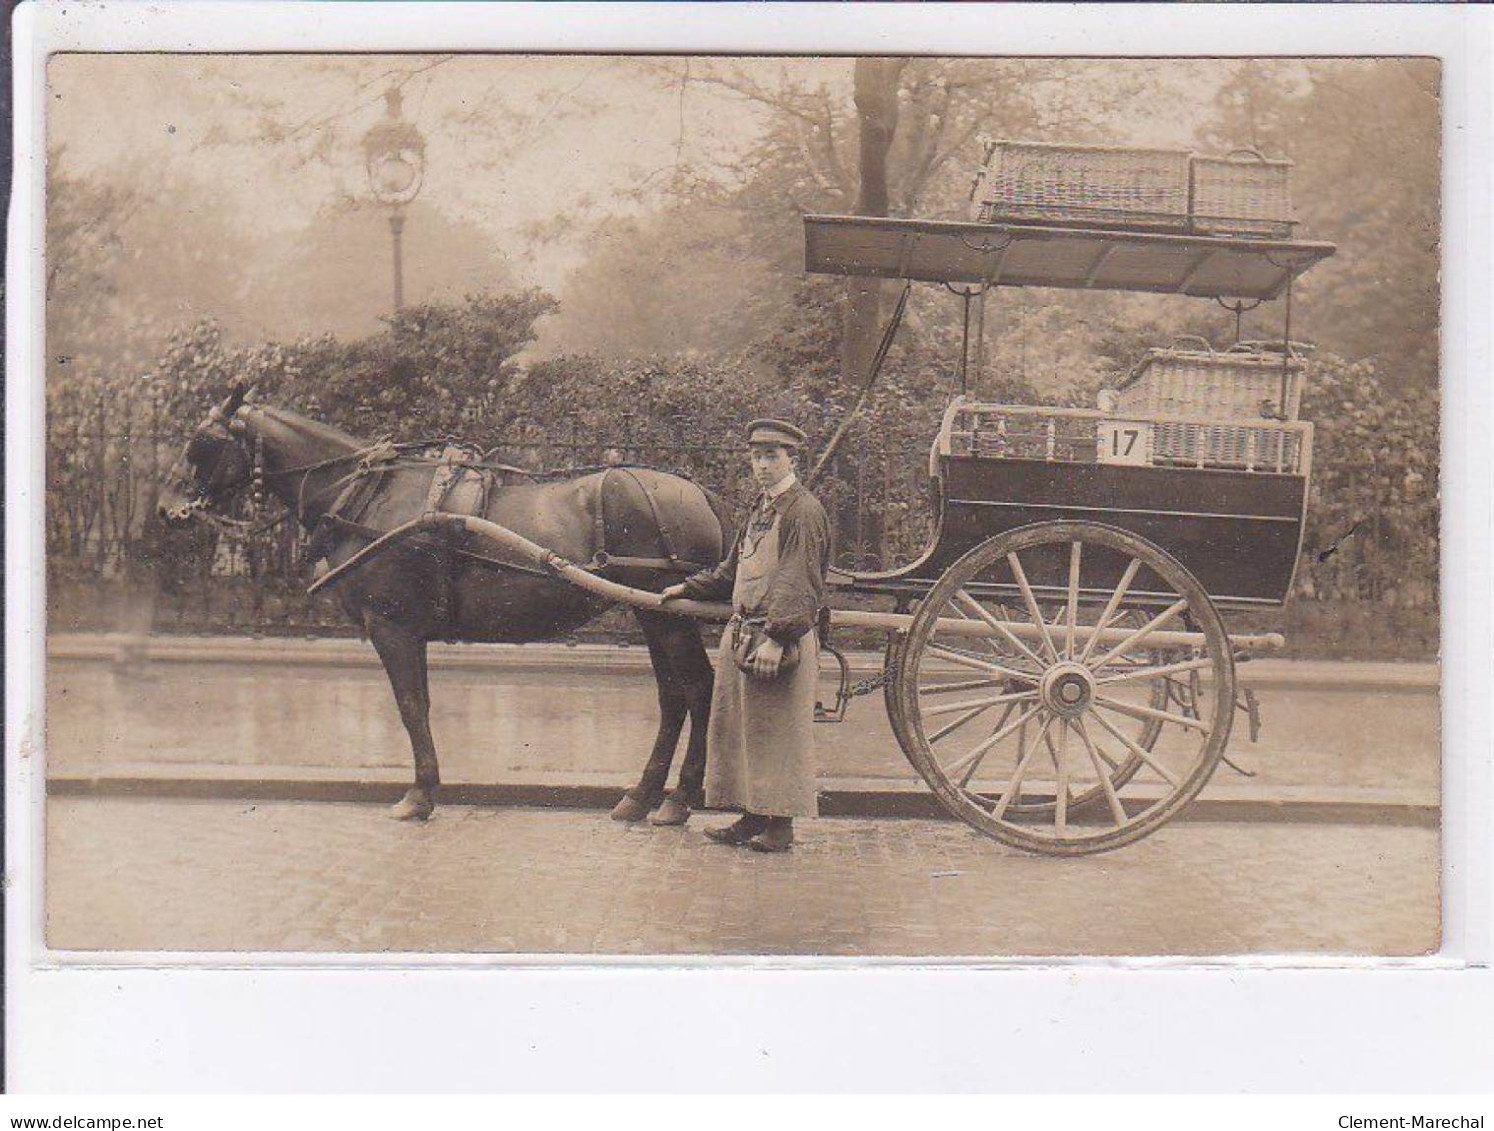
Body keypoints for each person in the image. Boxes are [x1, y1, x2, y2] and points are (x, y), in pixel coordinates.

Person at [660, 419, 831, 852]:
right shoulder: (761, 508)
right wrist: (688, 587)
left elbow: (798, 580)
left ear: (793, 459)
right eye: (756, 456)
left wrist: (777, 638)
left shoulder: (802, 511)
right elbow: (734, 570)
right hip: (746, 635)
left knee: (778, 733)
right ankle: (753, 817)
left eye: (772, 456)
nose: (762, 465)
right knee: (748, 732)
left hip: (777, 639)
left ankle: (780, 827)